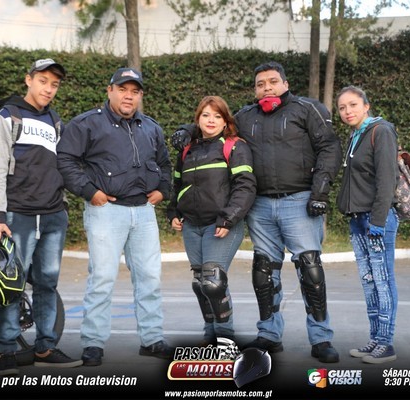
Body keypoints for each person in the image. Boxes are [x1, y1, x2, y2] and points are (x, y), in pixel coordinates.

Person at [172, 61, 343, 362]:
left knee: (310, 269)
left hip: (299, 201)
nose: (267, 88)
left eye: (273, 82)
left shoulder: (307, 109)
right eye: (261, 84)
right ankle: (269, 334)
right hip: (260, 205)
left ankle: (321, 338)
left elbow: (329, 147)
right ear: (255, 89)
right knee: (264, 272)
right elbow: (215, 121)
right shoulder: (245, 116)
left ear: (285, 84)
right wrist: (186, 130)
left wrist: (320, 192)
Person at [57, 67, 174, 366]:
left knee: (149, 278)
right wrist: (89, 191)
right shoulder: (87, 124)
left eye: (135, 91)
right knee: (102, 278)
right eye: (123, 89)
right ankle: (93, 343)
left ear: (140, 96)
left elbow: (164, 163)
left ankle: (152, 339)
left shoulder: (151, 127)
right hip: (106, 211)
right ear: (110, 90)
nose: (128, 96)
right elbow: (65, 159)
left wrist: (163, 189)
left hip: (144, 213)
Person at [0, 58, 82, 376]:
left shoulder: (56, 121)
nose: (49, 89)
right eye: (43, 81)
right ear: (28, 80)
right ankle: (6, 350)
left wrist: (64, 207)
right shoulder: (7, 116)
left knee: (47, 284)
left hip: (53, 216)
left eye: (54, 84)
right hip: (18, 216)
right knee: (12, 285)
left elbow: (63, 166)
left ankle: (45, 347)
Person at [167, 96, 256, 346]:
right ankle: (210, 334)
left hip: (220, 225)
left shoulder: (235, 147)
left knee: (213, 281)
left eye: (217, 116)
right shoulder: (187, 150)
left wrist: (228, 219)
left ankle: (225, 336)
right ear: (198, 119)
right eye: (206, 115)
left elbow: (245, 187)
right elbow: (177, 184)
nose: (211, 120)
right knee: (200, 284)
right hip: (191, 226)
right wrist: (173, 213)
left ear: (226, 121)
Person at [335, 85, 400, 364]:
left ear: (366, 106)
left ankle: (386, 343)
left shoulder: (380, 131)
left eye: (353, 105)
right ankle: (375, 339)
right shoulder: (356, 135)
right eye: (342, 107)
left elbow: (387, 180)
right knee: (369, 282)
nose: (347, 111)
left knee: (383, 281)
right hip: (358, 219)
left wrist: (378, 221)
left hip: (376, 221)